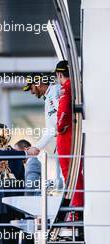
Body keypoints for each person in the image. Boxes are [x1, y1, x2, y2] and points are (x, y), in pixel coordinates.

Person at [22, 73, 63, 189]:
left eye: (31, 88)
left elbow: (59, 122)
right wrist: (37, 147)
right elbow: (51, 129)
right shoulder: (49, 95)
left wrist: (37, 148)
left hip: (67, 138)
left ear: (38, 84)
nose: (31, 92)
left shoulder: (55, 91)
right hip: (62, 140)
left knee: (66, 176)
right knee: (64, 176)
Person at [55, 60, 84, 207]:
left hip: (66, 137)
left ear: (60, 74)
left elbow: (64, 111)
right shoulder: (75, 87)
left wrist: (59, 127)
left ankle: (76, 207)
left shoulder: (67, 88)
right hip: (72, 135)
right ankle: (77, 205)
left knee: (70, 174)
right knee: (74, 173)